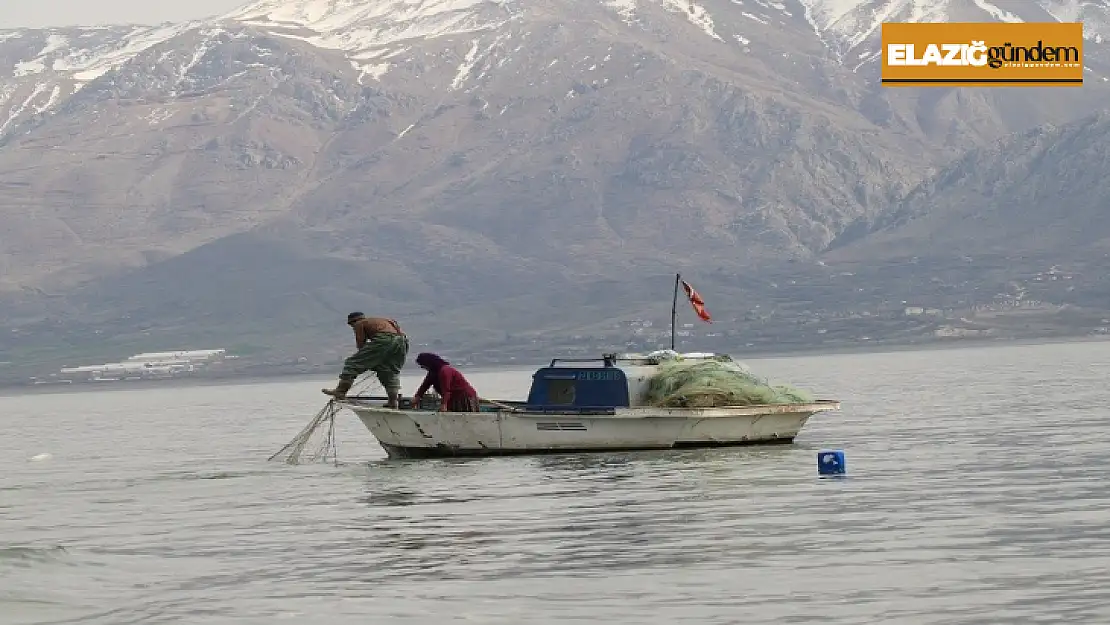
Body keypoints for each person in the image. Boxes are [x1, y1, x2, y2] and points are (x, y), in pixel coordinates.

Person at [322, 312, 409, 407]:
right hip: (402, 342)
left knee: (351, 363)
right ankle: (392, 402)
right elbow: (399, 333)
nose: (353, 327)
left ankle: (340, 391)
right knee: (388, 370)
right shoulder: (384, 320)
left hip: (384, 340)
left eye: (351, 325)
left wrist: (364, 360)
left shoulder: (359, 323)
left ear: (353, 321)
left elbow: (361, 344)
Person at [411, 352, 480, 412]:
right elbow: (424, 386)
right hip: (452, 398)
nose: (422, 367)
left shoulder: (445, 371)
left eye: (422, 365)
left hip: (464, 397)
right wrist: (417, 397)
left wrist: (444, 404)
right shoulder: (432, 373)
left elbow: (446, 390)